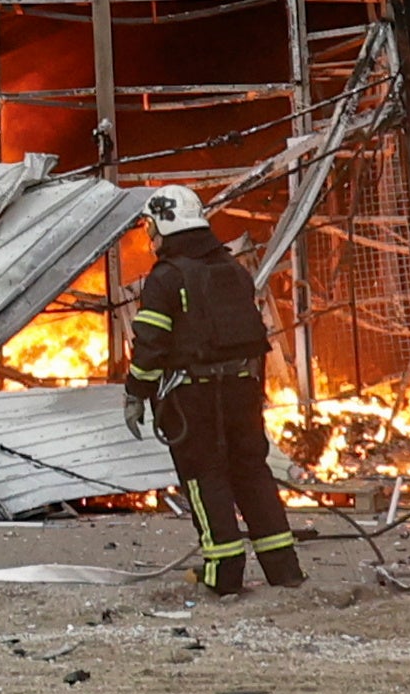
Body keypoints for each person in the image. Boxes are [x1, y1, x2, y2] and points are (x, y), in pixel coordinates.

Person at [122, 186, 302, 595]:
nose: (150, 236)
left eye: (151, 226)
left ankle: (223, 574)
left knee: (206, 477)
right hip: (242, 388)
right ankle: (284, 570)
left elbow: (151, 344)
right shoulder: (233, 270)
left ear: (164, 224)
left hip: (194, 396)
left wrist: (136, 393)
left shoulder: (167, 278)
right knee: (252, 473)